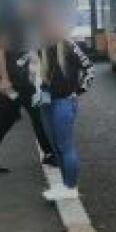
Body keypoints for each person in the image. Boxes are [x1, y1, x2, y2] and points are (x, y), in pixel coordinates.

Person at [0, 0, 54, 175]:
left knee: (8, 119)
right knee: (36, 115)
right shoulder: (7, 25)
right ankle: (49, 153)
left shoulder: (28, 24)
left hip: (27, 81)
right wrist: (4, 79)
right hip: (15, 82)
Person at [37, 10, 94, 201]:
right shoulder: (41, 47)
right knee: (56, 147)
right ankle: (65, 185)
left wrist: (77, 92)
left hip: (63, 103)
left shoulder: (70, 46)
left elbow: (90, 70)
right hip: (45, 103)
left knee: (65, 146)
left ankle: (71, 186)